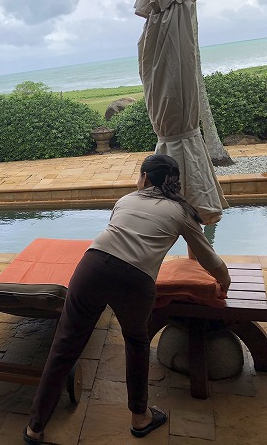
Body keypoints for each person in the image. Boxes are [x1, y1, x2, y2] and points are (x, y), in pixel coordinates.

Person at [23, 154, 231, 443]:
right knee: (136, 343)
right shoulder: (182, 212)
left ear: (144, 178)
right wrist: (225, 282)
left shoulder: (125, 200)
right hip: (135, 280)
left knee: (65, 345)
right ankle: (139, 417)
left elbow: (119, 240)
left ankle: (34, 428)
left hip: (92, 267)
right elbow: (209, 258)